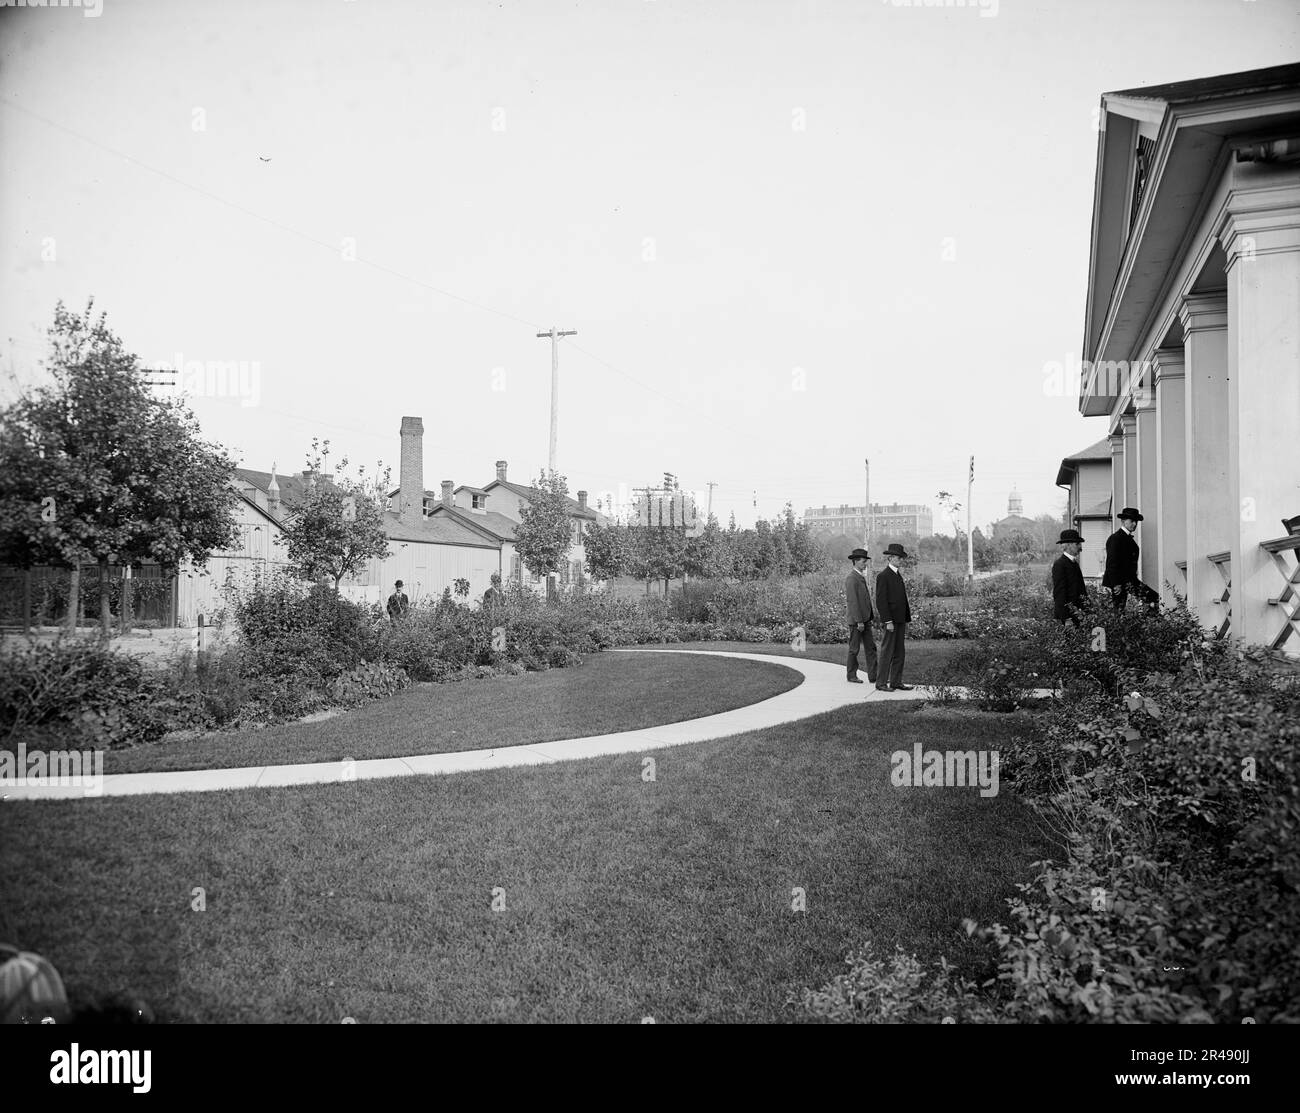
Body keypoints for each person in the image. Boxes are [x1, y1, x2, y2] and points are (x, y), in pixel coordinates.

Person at [1103, 508, 1160, 614]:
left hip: (1130, 580)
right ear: (1123, 521)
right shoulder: (1116, 538)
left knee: (1153, 597)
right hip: (1120, 582)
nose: (1134, 524)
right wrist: (1116, 584)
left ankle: (1148, 624)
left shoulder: (1127, 538)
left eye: (1136, 521)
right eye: (1131, 521)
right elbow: (1111, 563)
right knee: (1119, 610)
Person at [874, 543, 913, 692]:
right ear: (890, 558)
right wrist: (888, 621)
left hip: (900, 619)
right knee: (887, 651)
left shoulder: (897, 574)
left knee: (899, 652)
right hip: (891, 621)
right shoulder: (883, 576)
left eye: (901, 557)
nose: (900, 560)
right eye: (898, 557)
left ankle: (896, 682)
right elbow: (881, 601)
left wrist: (904, 618)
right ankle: (881, 683)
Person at [844, 548, 878, 685]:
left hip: (865, 620)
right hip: (857, 622)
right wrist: (859, 621)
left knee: (871, 648)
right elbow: (853, 602)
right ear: (856, 561)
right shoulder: (852, 578)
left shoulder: (860, 577)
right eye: (864, 562)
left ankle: (874, 676)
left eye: (866, 562)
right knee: (854, 649)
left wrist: (868, 618)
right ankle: (851, 675)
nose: (865, 564)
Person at [1052, 528, 1088, 624]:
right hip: (1068, 617)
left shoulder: (1074, 563)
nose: (1080, 547)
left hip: (1078, 614)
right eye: (1077, 544)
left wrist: (1086, 611)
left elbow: (1080, 589)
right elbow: (1059, 594)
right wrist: (1066, 618)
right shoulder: (1060, 564)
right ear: (1068, 545)